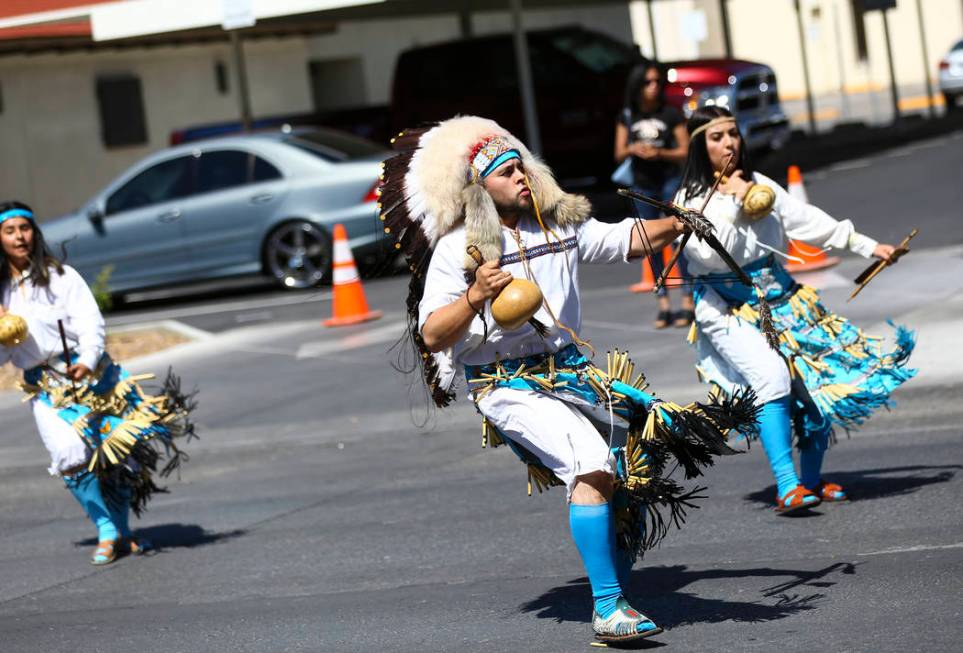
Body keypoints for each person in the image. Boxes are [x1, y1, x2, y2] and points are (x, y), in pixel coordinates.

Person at [379, 116, 759, 645]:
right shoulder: (458, 250)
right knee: (590, 460)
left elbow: (623, 239)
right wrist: (474, 297)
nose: (521, 176)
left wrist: (678, 222)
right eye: (507, 171)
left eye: (523, 168)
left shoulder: (558, 225)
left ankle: (618, 583)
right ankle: (608, 608)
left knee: (631, 463)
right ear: (480, 188)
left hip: (572, 375)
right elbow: (433, 335)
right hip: (505, 385)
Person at [672, 107, 916, 513]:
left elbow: (809, 222)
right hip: (726, 309)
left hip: (781, 299)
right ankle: (786, 485)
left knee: (817, 390)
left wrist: (869, 246)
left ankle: (810, 480)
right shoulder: (690, 201)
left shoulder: (760, 184)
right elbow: (708, 255)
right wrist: (734, 203)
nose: (729, 143)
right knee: (772, 377)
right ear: (700, 145)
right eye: (717, 137)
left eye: (733, 133)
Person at [0, 201, 197, 565]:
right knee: (69, 454)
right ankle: (106, 527)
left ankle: (121, 531)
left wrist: (87, 360)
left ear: (34, 232)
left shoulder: (60, 277)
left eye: (24, 228)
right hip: (45, 390)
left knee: (115, 455)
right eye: (9, 231)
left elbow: (91, 322)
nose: (19, 237)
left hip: (94, 380)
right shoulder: (1, 294)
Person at [614, 61, 693, 329]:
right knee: (650, 244)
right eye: (648, 82)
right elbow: (618, 152)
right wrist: (635, 149)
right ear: (637, 86)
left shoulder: (670, 114)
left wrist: (660, 153)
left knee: (678, 234)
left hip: (669, 180)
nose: (654, 87)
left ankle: (687, 300)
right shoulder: (627, 115)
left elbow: (685, 149)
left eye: (657, 82)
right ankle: (663, 302)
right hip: (642, 184)